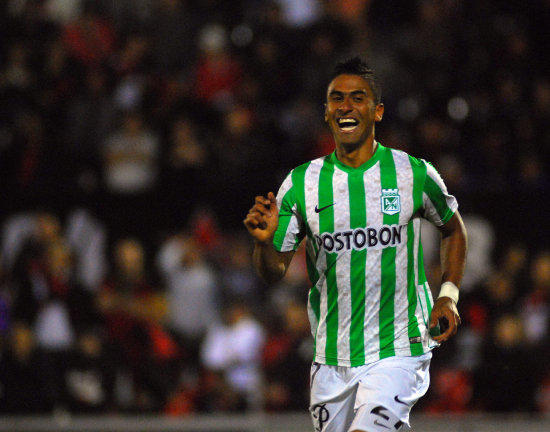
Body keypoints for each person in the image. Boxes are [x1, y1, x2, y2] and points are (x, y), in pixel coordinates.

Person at [243, 57, 467, 432]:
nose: (346, 106)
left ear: (377, 111)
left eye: (357, 98)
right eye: (336, 99)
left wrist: (448, 294)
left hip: (400, 347)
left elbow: (453, 229)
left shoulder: (412, 172)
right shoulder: (301, 184)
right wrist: (264, 245)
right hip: (331, 356)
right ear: (326, 113)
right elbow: (272, 272)